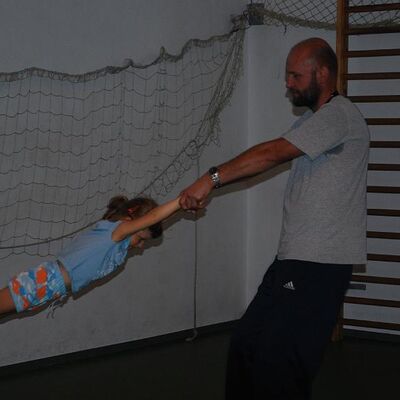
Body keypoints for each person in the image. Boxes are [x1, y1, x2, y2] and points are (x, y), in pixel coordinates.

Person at [179, 37, 369, 399]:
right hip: (292, 261)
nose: (288, 83)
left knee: (280, 366)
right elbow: (263, 160)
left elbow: (271, 154)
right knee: (246, 347)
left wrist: (211, 179)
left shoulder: (339, 115)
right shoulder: (312, 122)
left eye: (295, 75)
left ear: (322, 74)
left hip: (320, 264)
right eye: (287, 75)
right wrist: (215, 184)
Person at [0, 195, 181, 317]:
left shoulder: (118, 245)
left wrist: (183, 208)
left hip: (51, 289)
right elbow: (153, 218)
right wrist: (183, 200)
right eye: (141, 239)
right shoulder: (116, 233)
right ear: (131, 221)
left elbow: (155, 221)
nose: (141, 246)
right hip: (44, 281)